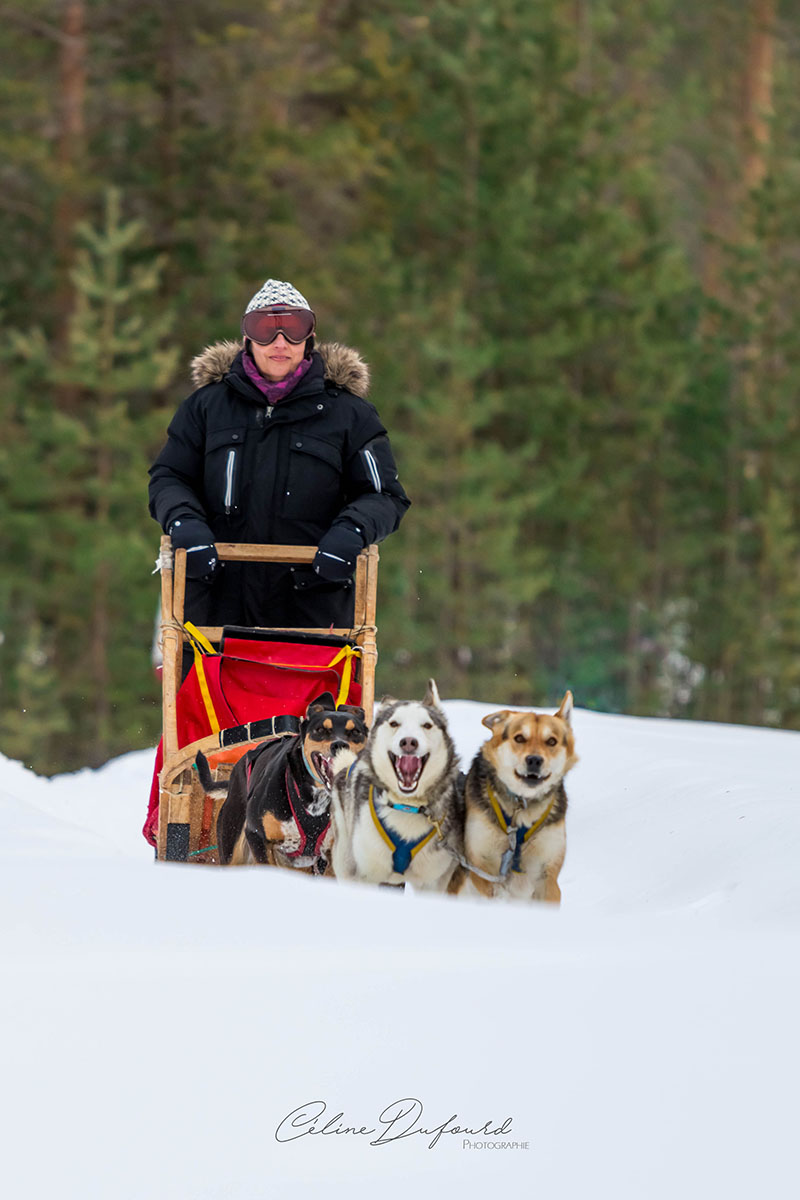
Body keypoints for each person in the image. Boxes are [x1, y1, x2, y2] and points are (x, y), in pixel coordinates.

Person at [149, 279, 410, 632]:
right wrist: (184, 523)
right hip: (216, 609)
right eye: (265, 329)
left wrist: (352, 531)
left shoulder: (350, 415)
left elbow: (384, 495)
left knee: (313, 690)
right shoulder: (206, 408)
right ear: (246, 339)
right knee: (208, 690)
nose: (280, 343)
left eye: (294, 329)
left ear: (310, 338)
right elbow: (169, 477)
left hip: (313, 611)